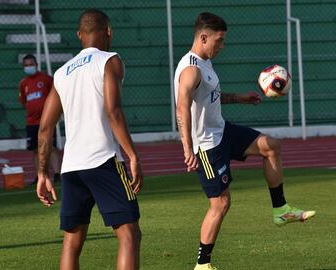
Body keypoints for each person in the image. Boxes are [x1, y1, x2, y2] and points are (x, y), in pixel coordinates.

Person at [174, 12, 316, 270]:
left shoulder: (205, 63)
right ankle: (202, 265)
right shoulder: (191, 69)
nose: (222, 46)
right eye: (219, 40)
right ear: (203, 37)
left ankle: (280, 210)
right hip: (207, 145)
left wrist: (241, 98)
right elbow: (181, 107)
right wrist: (187, 148)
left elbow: (212, 97)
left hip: (223, 131)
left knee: (271, 146)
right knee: (221, 203)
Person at [36, 9, 143, 270]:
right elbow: (113, 111)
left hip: (72, 167)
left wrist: (43, 173)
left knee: (72, 242)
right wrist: (132, 155)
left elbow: (45, 128)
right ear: (109, 32)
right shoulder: (110, 60)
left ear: (79, 35)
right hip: (104, 161)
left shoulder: (61, 73)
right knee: (129, 234)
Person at [19, 54, 61, 183]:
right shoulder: (23, 83)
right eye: (26, 65)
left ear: (36, 65)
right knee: (35, 150)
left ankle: (58, 174)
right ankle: (40, 175)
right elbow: (23, 101)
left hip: (46, 120)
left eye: (31, 64)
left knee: (51, 147)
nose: (29, 67)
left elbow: (55, 95)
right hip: (31, 122)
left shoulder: (47, 79)